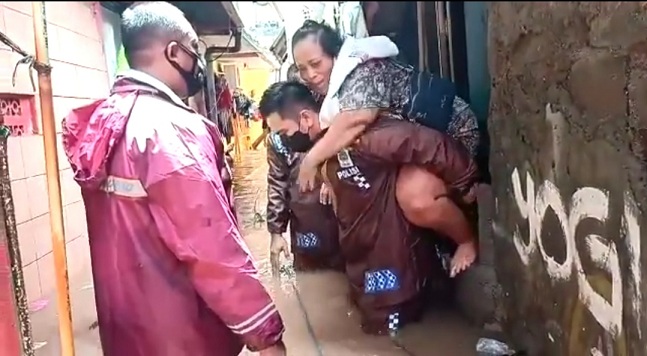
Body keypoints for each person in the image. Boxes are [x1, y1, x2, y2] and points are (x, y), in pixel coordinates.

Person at [61, 3, 285, 355]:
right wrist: (264, 332)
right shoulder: (171, 131)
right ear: (174, 52)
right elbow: (211, 249)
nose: (198, 60)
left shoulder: (101, 124)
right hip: (183, 338)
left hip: (126, 337)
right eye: (195, 49)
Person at [260, 81, 480, 333]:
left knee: (391, 330)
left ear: (306, 118)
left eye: (285, 133)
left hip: (397, 269)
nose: (284, 142)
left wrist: (467, 185)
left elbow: (427, 143)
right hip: (366, 266)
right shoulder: (323, 153)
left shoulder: (361, 135)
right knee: (369, 322)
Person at [288, 20, 481, 273]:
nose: (311, 75)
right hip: (413, 147)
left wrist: (312, 161)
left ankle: (466, 240)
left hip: (450, 137)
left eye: (316, 64)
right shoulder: (327, 85)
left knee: (415, 198)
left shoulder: (362, 68)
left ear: (334, 54)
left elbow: (356, 119)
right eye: (303, 69)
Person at [266, 130, 344, 273]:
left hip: (340, 226)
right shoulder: (278, 139)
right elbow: (277, 184)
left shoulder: (332, 121)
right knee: (308, 280)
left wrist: (332, 176)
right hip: (304, 227)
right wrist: (276, 233)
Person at [216, 74, 235, 144]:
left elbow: (229, 101)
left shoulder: (225, 91)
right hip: (222, 110)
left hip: (224, 111)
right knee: (224, 129)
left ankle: (228, 144)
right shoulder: (222, 91)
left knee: (226, 129)